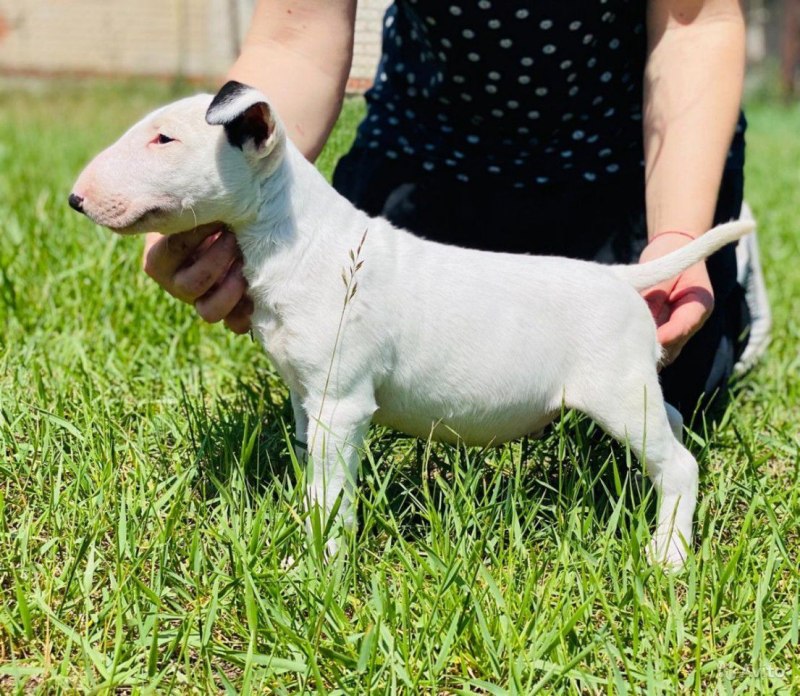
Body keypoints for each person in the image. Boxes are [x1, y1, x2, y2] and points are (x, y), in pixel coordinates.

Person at [143, 0, 766, 420]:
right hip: (433, 149)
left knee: (674, 381)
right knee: (356, 349)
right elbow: (296, 36)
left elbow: (693, 23)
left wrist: (677, 231)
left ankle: (719, 250)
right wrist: (215, 183)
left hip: (620, 154)